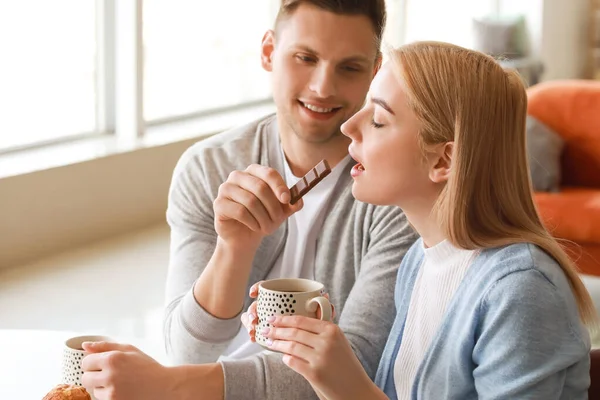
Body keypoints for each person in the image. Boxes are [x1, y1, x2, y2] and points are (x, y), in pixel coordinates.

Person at [79, 1, 418, 399]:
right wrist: (234, 247)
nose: (323, 87)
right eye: (305, 58)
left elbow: (358, 368)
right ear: (269, 52)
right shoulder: (207, 168)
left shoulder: (395, 190)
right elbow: (189, 351)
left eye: (349, 67)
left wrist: (167, 385)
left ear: (375, 72)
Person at [244, 41, 597, 399]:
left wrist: (345, 384)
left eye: (378, 120)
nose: (349, 126)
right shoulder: (418, 260)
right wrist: (316, 360)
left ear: (443, 162)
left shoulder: (521, 291)